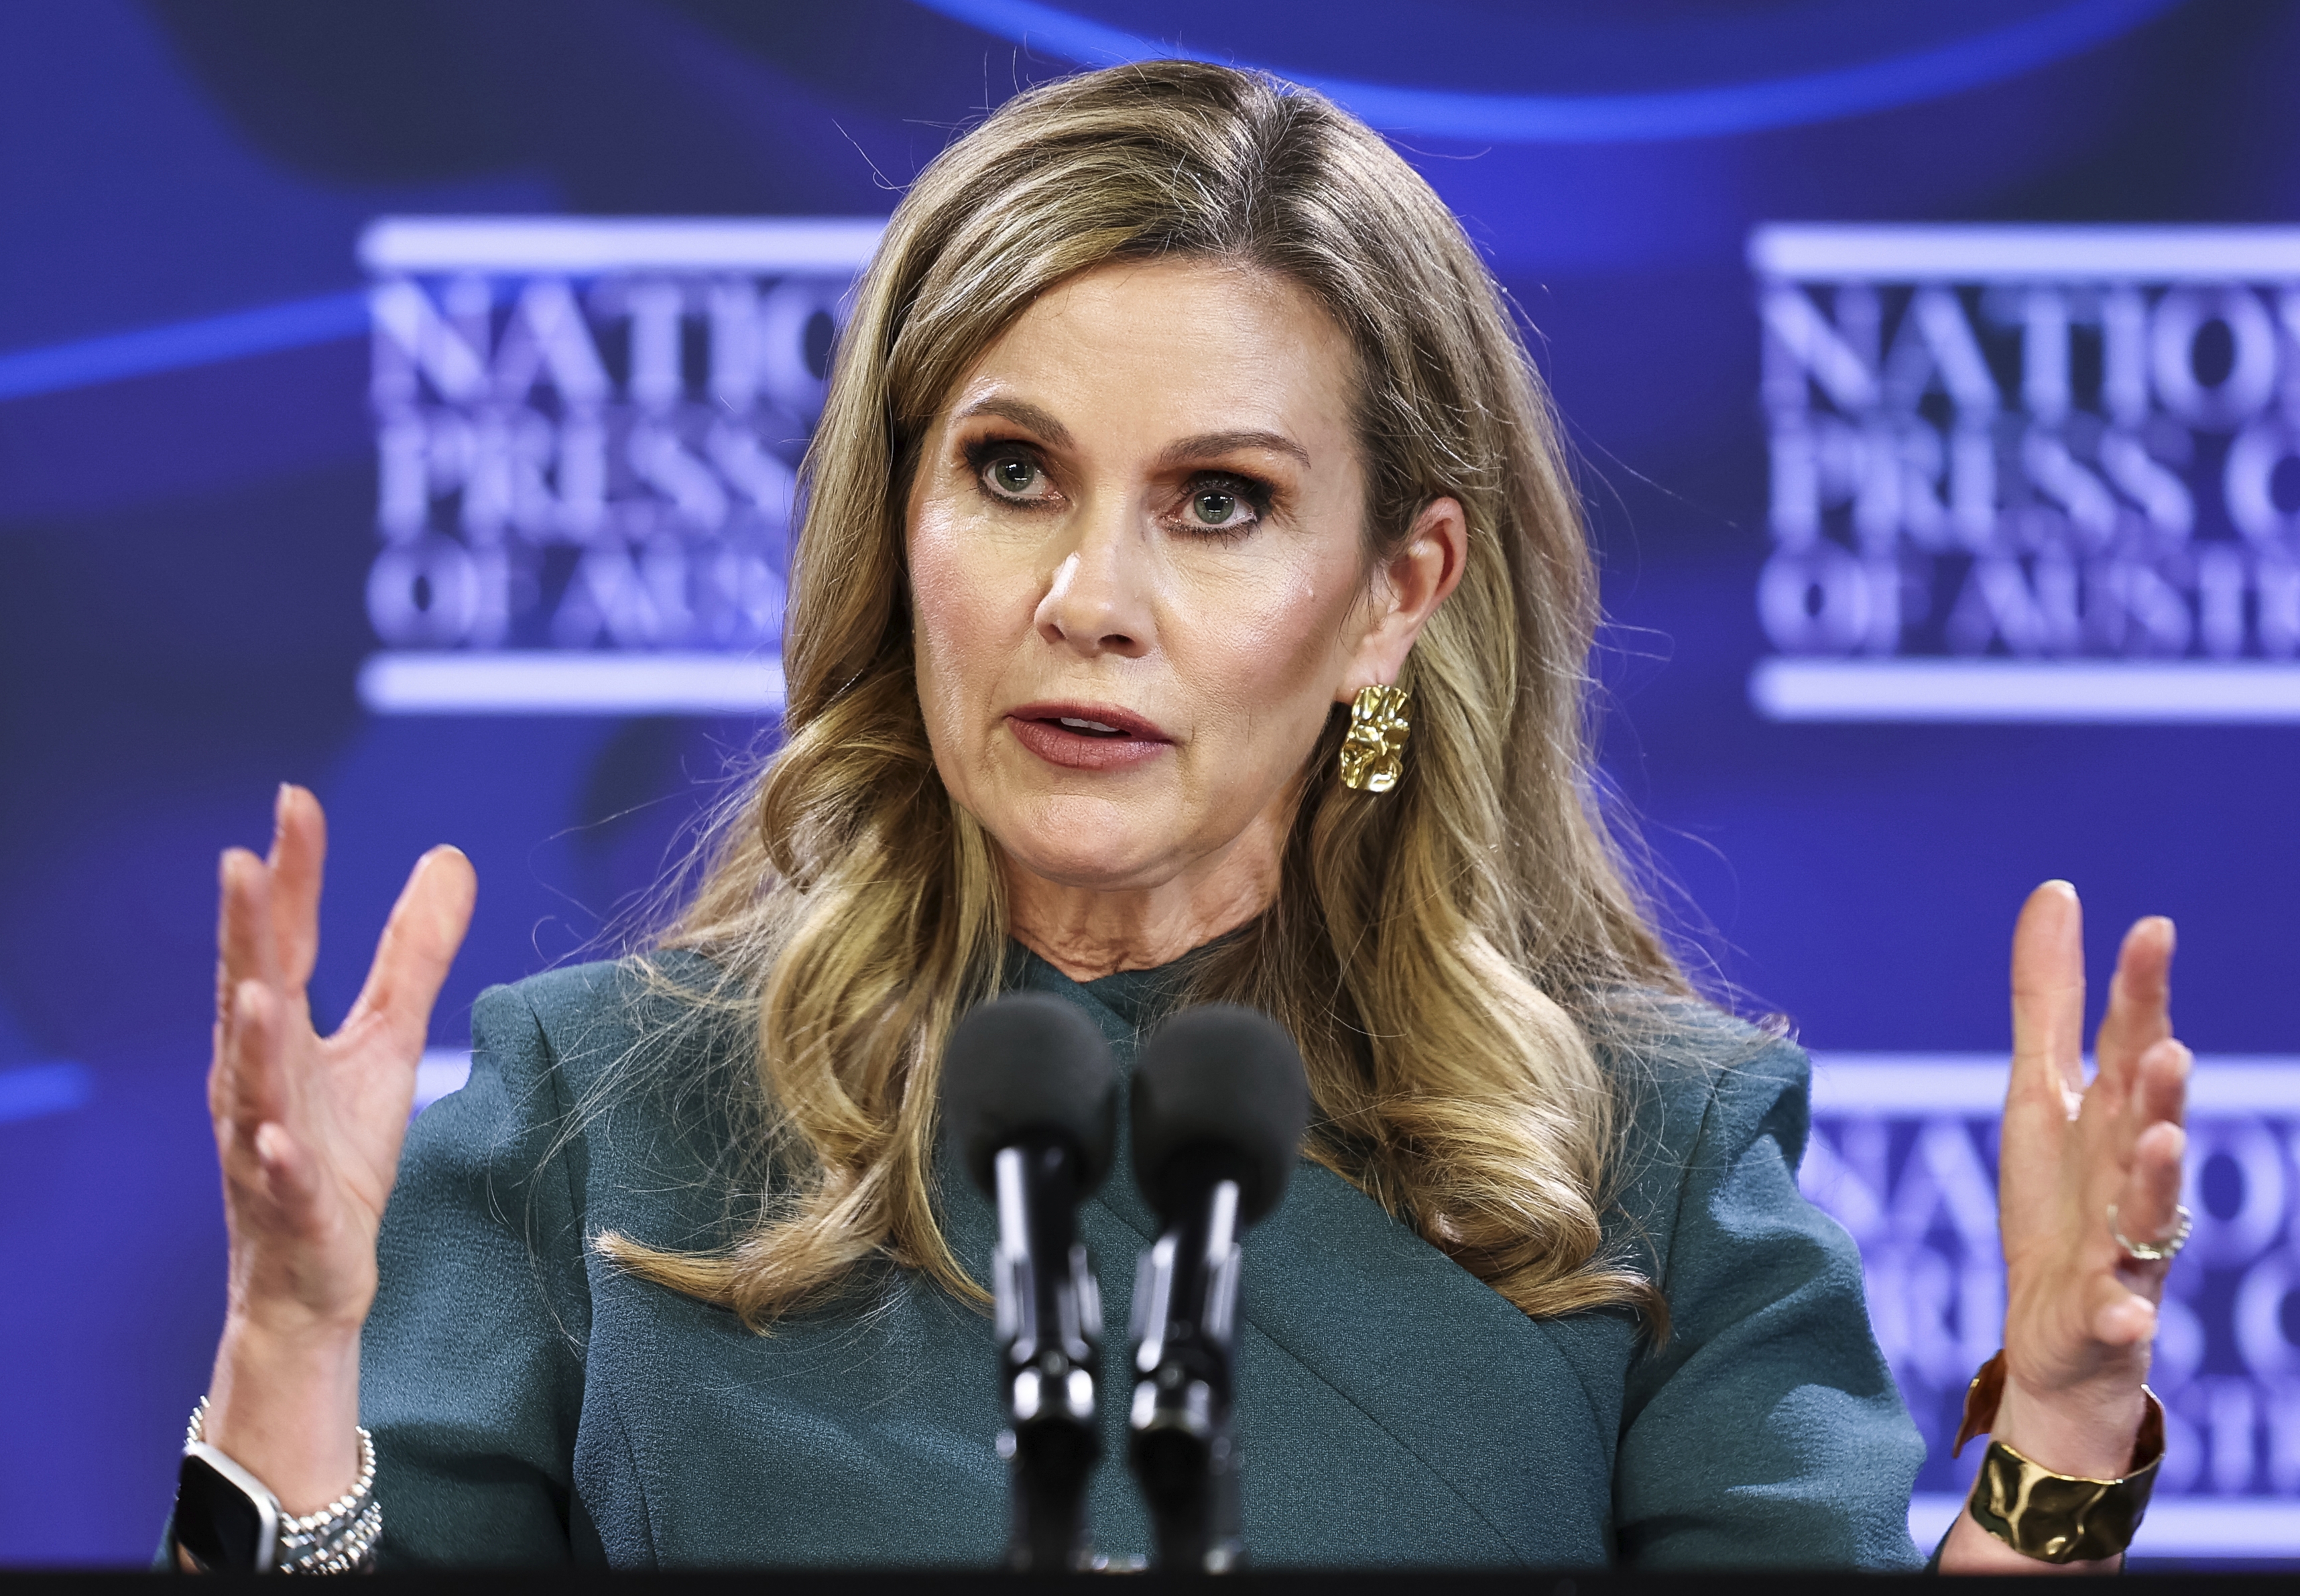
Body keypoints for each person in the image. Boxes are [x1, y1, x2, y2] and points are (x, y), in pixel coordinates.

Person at [181, 62, 2193, 1572]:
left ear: (1396, 593)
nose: (1089, 600)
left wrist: (2068, 1447)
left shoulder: (1649, 1162)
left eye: (1216, 501)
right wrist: (287, 1348)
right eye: (1010, 471)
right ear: (899, 525)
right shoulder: (590, 1115)